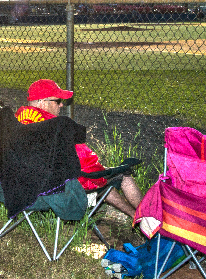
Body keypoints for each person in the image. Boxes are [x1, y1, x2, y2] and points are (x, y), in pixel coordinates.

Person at [15, 79, 143, 217]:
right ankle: (148, 220)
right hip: (60, 192)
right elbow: (87, 164)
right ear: (43, 102)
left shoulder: (15, 122)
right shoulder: (58, 128)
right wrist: (108, 172)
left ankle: (136, 218)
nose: (61, 104)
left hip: (24, 188)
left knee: (100, 180)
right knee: (120, 175)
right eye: (58, 101)